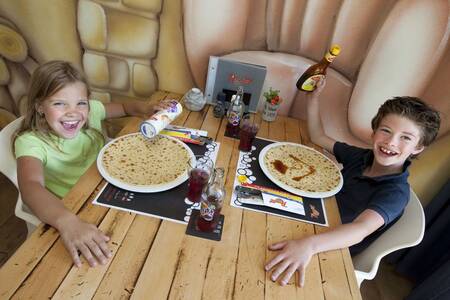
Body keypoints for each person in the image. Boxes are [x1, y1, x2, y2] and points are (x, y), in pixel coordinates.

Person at [265, 79, 441, 287]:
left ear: (418, 148)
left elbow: (360, 229)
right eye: (386, 130)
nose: (391, 142)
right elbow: (318, 136)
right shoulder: (362, 157)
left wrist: (309, 245)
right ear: (374, 132)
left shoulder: (395, 193)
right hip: (313, 218)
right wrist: (313, 99)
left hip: (328, 248)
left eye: (406, 138)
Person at [14, 60, 170, 268]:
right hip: (74, 209)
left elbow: (124, 106)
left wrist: (145, 108)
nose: (73, 112)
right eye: (59, 103)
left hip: (109, 185)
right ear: (40, 107)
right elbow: (30, 187)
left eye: (81, 103)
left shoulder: (92, 112)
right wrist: (67, 221)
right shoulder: (30, 142)